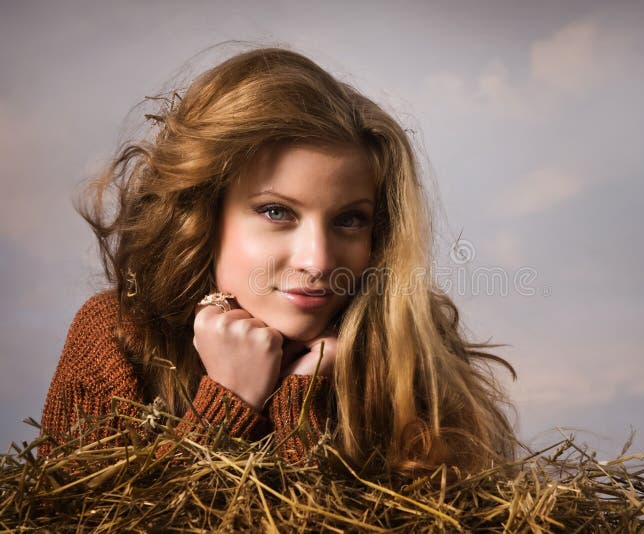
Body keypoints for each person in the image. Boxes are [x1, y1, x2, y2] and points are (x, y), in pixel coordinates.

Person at [40, 47, 517, 475]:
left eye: (350, 220)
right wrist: (227, 405)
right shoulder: (117, 338)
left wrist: (302, 409)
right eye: (277, 212)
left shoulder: (411, 358)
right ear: (203, 215)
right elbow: (81, 515)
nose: (318, 260)